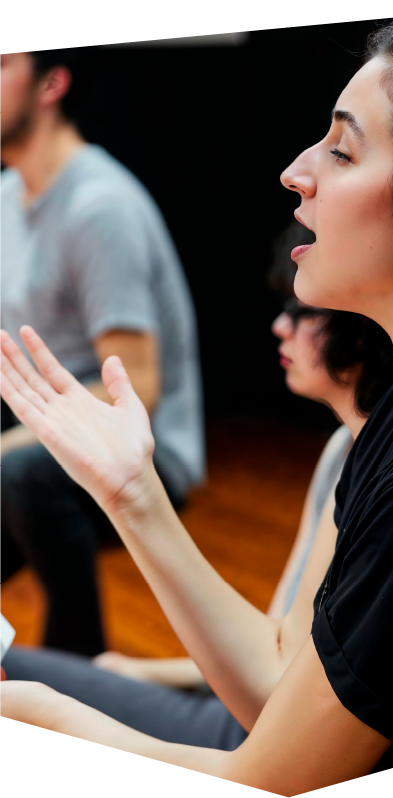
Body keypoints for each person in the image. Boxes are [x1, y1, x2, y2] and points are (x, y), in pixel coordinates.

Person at [1, 12, 393, 792]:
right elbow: (283, 685)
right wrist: (130, 491)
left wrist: (38, 709)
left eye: (341, 150)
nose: (296, 172)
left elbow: (269, 779)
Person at [1, 258, 393, 745]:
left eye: (302, 311)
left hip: (247, 734)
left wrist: (53, 712)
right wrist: (152, 672)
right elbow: (281, 648)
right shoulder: (347, 448)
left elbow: (277, 718)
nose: (279, 326)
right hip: (244, 709)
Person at [0, 49, 205, 657]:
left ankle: (78, 663)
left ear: (51, 84)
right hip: (38, 428)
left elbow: (135, 389)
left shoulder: (99, 207)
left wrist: (11, 440)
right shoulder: (8, 195)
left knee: (22, 473)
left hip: (143, 449)